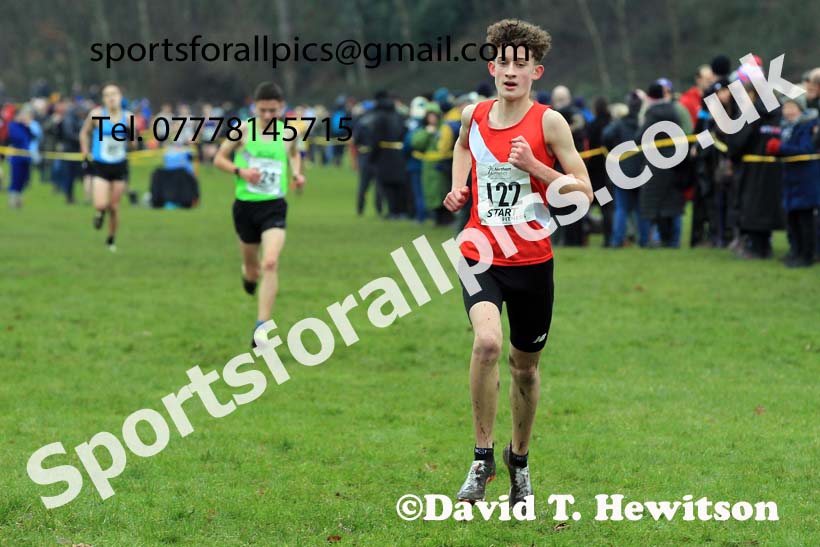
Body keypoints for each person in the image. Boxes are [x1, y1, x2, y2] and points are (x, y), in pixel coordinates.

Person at [442, 19, 593, 511]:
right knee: (486, 343)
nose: (510, 71)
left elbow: (584, 193)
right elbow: (462, 148)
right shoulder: (474, 115)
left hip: (531, 261)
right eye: (503, 62)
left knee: (524, 369)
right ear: (492, 67)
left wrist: (536, 167)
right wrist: (459, 186)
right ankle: (481, 457)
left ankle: (519, 461)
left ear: (536, 73)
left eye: (520, 65)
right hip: (479, 251)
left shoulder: (550, 123)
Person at [213, 81, 305, 347]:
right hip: (245, 207)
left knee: (270, 263)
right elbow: (218, 159)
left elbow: (294, 154)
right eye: (262, 110)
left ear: (281, 108)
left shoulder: (288, 133)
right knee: (253, 271)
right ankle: (248, 276)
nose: (267, 115)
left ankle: (261, 328)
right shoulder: (242, 130)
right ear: (254, 107)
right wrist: (240, 171)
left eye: (272, 111)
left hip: (274, 205)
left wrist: (297, 173)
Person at [725, 81, 783, 260]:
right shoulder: (779, 112)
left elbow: (737, 142)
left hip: (752, 168)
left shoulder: (750, 113)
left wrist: (732, 155)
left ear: (752, 94)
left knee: (751, 206)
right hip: (775, 167)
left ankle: (755, 248)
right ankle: (766, 245)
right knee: (768, 207)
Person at [765, 95, 819, 267]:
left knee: (805, 219)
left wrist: (780, 147)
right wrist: (776, 151)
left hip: (806, 179)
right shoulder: (786, 127)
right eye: (786, 107)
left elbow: (806, 149)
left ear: (800, 109)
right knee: (792, 218)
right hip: (790, 179)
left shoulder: (808, 126)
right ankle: (795, 252)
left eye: (792, 107)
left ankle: (806, 256)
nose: (788, 111)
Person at [79, 82, 133, 251]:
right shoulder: (96, 115)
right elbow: (84, 133)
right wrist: (85, 153)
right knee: (101, 204)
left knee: (114, 207)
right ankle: (99, 213)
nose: (111, 98)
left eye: (114, 94)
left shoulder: (128, 117)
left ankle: (111, 239)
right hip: (101, 165)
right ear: (103, 99)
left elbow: (133, 145)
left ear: (120, 97)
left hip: (119, 165)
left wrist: (131, 137)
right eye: (107, 95)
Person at [636, 82, 687, 247]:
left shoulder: (652, 113)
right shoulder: (674, 110)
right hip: (674, 160)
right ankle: (674, 240)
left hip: (655, 161)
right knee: (672, 201)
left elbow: (640, 136)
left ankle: (656, 239)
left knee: (654, 202)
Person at [603, 91, 651, 247]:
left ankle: (617, 240)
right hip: (641, 169)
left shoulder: (620, 123)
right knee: (640, 208)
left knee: (621, 208)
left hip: (622, 170)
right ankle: (644, 240)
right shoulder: (644, 123)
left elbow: (606, 135)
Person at [370, 91, 408, 219]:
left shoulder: (379, 117)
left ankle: (392, 211)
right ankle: (401, 211)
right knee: (399, 184)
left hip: (384, 154)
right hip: (399, 153)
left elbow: (376, 138)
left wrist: (372, 156)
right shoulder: (398, 116)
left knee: (387, 185)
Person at [7, 106, 33, 209]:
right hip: (17, 157)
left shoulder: (25, 127)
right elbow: (18, 138)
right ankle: (13, 201)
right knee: (16, 179)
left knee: (24, 179)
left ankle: (19, 200)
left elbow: (32, 136)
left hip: (26, 157)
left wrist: (27, 126)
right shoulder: (13, 126)